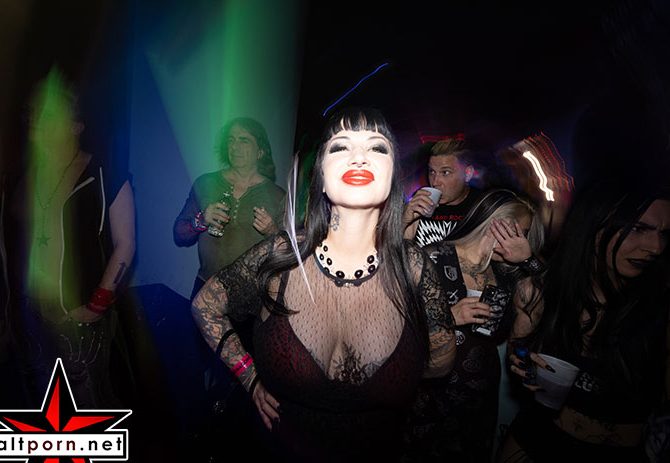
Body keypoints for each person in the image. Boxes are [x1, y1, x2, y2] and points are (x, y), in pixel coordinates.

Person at [191, 107, 456, 462]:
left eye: (377, 147)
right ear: (322, 175)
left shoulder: (416, 269)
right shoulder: (282, 254)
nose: (359, 156)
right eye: (341, 146)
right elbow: (205, 305)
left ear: (393, 175)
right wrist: (248, 375)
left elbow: (441, 361)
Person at [499, 182, 670, 462]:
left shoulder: (660, 305)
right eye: (638, 229)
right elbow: (518, 353)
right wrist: (522, 362)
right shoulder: (538, 292)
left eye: (664, 234)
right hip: (537, 439)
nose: (656, 247)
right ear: (595, 225)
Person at [0, 68, 135, 408]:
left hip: (78, 313)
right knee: (42, 399)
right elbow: (6, 245)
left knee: (88, 403)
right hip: (29, 314)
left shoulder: (105, 173)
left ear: (76, 124)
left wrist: (97, 304)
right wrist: (8, 310)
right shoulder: (19, 177)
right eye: (36, 114)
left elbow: (126, 244)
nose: (39, 121)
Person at [404, 189, 545, 462]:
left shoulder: (508, 273)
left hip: (479, 399)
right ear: (497, 224)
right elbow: (397, 327)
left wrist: (529, 261)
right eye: (522, 233)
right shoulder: (434, 257)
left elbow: (558, 300)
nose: (524, 243)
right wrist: (449, 317)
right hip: (431, 394)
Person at [173, 116, 285, 300]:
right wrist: (201, 221)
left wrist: (272, 232)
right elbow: (179, 234)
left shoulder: (278, 196)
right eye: (231, 140)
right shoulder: (206, 183)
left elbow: (289, 254)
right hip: (205, 286)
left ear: (260, 151)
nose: (235, 146)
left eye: (244, 140)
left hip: (250, 295)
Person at [403, 139, 483, 247]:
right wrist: (404, 221)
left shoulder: (483, 206)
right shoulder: (422, 199)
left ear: (468, 174)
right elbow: (398, 249)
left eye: (445, 172)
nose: (435, 182)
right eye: (432, 172)